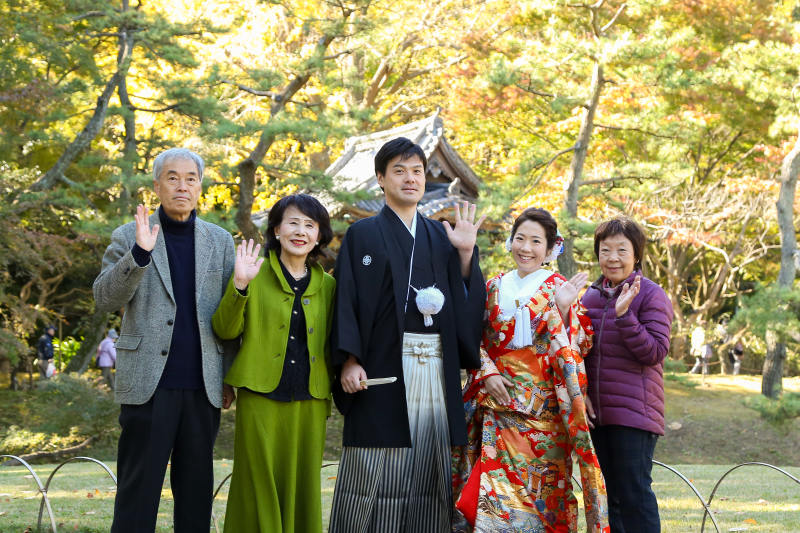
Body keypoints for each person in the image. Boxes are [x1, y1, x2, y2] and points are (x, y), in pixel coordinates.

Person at [327, 137, 487, 533]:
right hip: (379, 364)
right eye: (399, 170)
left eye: (417, 170)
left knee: (427, 462)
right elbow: (346, 296)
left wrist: (466, 256)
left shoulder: (440, 235)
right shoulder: (362, 234)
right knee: (374, 462)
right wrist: (349, 358)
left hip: (431, 363)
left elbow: (461, 299)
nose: (410, 178)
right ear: (381, 179)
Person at [93, 147, 237, 533]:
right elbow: (105, 299)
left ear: (200, 186)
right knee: (138, 493)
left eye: (191, 178)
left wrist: (229, 376)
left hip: (203, 384)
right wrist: (140, 253)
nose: (182, 186)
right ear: (157, 184)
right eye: (172, 178)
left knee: (195, 494)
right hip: (147, 384)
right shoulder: (129, 235)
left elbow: (230, 314)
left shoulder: (221, 241)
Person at [452, 207, 609, 533]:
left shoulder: (559, 287)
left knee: (543, 498)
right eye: (520, 238)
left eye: (536, 241)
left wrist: (563, 310)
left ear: (551, 248)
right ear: (510, 242)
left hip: (545, 414)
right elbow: (470, 335)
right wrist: (487, 371)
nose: (526, 247)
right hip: (498, 406)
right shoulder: (493, 285)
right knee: (487, 494)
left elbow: (579, 345)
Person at [212, 194, 336, 532]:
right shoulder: (255, 271)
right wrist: (240, 285)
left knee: (303, 483)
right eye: (293, 222)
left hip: (311, 398)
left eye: (310, 225)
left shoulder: (328, 285)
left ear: (319, 235)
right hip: (260, 393)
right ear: (277, 230)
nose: (301, 231)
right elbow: (224, 329)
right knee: (256, 481)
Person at [581, 216, 674, 533]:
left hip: (635, 412)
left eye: (622, 250)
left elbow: (655, 352)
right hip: (597, 415)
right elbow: (579, 353)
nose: (613, 258)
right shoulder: (589, 296)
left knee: (634, 495)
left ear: (636, 255)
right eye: (605, 250)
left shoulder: (650, 294)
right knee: (609, 500)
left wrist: (625, 316)